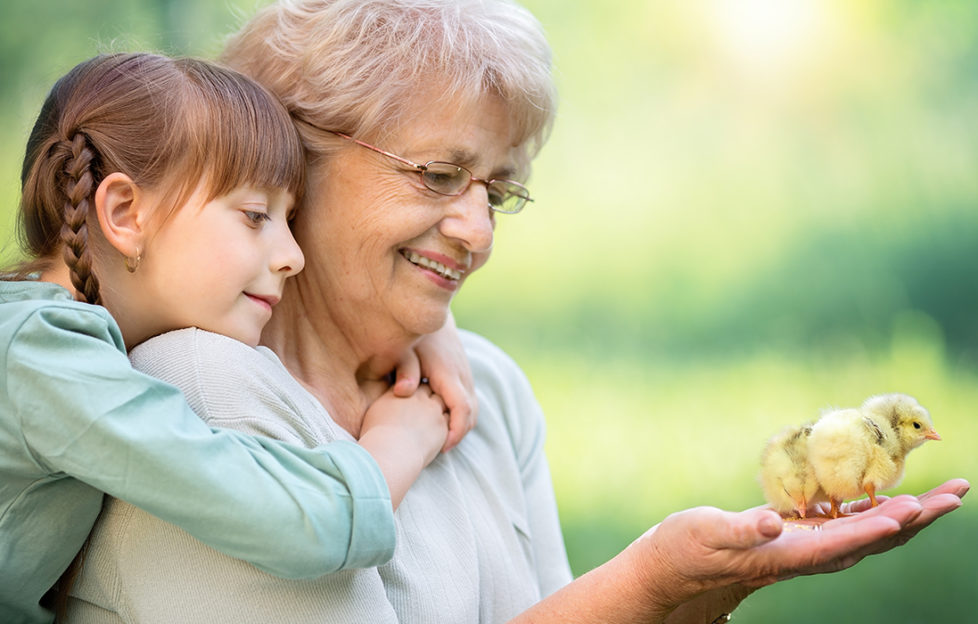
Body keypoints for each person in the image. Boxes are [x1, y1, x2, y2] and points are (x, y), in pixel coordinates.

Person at [65, 1, 969, 623]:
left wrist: (697, 594)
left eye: (498, 190)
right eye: (438, 174)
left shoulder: (483, 386)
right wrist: (649, 583)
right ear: (292, 157)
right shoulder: (195, 396)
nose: (475, 230)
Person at [1, 51, 476, 624]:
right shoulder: (43, 360)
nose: (292, 257)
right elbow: (296, 524)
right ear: (125, 213)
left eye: (290, 221)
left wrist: (430, 324)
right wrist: (397, 443)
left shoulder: (40, 340)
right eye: (255, 215)